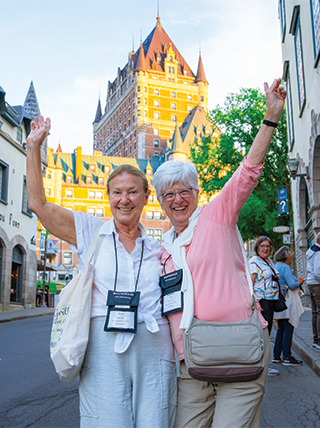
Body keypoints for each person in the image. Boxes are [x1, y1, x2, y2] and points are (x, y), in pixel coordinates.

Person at [26, 118, 177, 428]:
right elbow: (38, 205)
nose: (124, 199)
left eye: (133, 192)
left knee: (156, 421)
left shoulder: (160, 248)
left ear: (146, 198)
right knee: (108, 421)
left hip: (154, 343)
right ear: (108, 197)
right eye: (117, 192)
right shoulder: (90, 230)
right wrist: (33, 147)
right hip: (104, 342)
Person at [153, 78, 286, 428]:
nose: (177, 199)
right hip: (191, 363)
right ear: (160, 202)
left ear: (197, 193)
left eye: (185, 191)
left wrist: (270, 117)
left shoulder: (216, 216)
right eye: (168, 194)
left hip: (238, 349)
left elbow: (247, 173)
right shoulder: (163, 248)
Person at [249, 236, 280, 377]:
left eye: (267, 246)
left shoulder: (269, 261)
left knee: (266, 334)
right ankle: (264, 365)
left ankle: (265, 363)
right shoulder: (254, 262)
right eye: (262, 245)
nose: (265, 248)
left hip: (271, 300)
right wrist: (255, 302)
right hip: (262, 302)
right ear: (257, 247)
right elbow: (250, 283)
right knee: (263, 334)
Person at [272, 246, 305, 366]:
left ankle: (276, 355)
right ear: (286, 257)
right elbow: (292, 285)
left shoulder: (275, 266)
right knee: (288, 327)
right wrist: (299, 282)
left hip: (278, 301)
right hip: (288, 301)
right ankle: (287, 356)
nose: (291, 259)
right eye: (290, 257)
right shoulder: (285, 267)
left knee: (281, 328)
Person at [306, 232, 320, 350]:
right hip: (317, 284)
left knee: (315, 312)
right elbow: (318, 271)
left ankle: (316, 339)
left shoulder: (311, 250)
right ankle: (318, 339)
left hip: (311, 283)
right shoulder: (318, 253)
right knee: (319, 312)